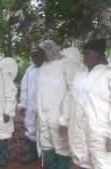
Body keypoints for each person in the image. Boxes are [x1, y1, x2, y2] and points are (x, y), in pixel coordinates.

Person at [69, 39, 111, 169]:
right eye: (83, 54)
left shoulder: (108, 74)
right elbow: (70, 97)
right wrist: (64, 120)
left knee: (102, 163)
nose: (84, 57)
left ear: (98, 54)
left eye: (87, 53)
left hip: (100, 131)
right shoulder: (80, 73)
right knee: (82, 160)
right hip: (79, 128)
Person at [36, 40, 78, 169]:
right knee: (46, 142)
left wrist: (64, 118)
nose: (40, 56)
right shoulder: (43, 67)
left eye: (42, 53)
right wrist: (39, 112)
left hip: (59, 114)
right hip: (44, 113)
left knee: (62, 146)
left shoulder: (67, 64)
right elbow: (40, 92)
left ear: (50, 51)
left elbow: (72, 92)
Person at [18, 47, 46, 164]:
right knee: (31, 129)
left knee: (46, 131)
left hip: (46, 107)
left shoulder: (49, 69)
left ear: (43, 55)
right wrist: (23, 104)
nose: (34, 58)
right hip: (31, 105)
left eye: (37, 55)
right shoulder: (30, 70)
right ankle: (33, 153)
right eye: (33, 55)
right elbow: (24, 88)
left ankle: (46, 156)